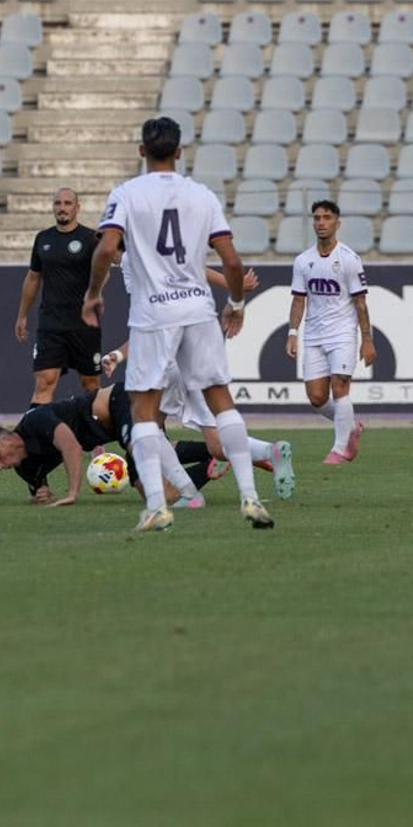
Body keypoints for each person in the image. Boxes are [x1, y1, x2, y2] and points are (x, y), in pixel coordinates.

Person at [83, 116, 274, 533]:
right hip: (199, 310)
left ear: (141, 151)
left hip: (154, 314)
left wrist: (94, 293)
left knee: (144, 409)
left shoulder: (127, 194)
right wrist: (236, 304)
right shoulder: (201, 196)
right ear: (180, 151)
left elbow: (105, 250)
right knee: (221, 399)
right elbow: (232, 261)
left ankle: (156, 506)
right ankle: (250, 495)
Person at [100, 343, 297, 499]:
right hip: (199, 361)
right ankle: (271, 451)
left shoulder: (152, 298)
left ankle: (185, 493)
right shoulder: (190, 300)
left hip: (171, 366)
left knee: (149, 425)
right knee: (217, 446)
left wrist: (117, 356)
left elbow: (142, 334)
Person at [0, 388, 218, 508]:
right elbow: (39, 490)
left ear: (6, 440)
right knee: (165, 495)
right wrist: (40, 495)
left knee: (144, 453)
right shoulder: (25, 469)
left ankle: (223, 454)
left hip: (118, 402)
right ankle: (214, 459)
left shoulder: (35, 421)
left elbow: (71, 447)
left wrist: (73, 493)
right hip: (115, 427)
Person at [286, 199, 375, 464]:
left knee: (340, 386)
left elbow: (360, 303)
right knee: (316, 397)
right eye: (317, 218)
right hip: (313, 334)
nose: (321, 222)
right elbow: (299, 299)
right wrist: (292, 332)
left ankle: (339, 449)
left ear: (337, 223)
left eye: (326, 217)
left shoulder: (349, 259)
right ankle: (351, 426)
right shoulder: (303, 260)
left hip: (342, 333)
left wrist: (367, 339)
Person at [14, 188, 100, 408]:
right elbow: (33, 278)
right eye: (58, 203)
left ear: (77, 208)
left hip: (84, 324)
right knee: (44, 381)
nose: (62, 208)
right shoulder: (43, 238)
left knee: (90, 384)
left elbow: (108, 267)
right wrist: (22, 315)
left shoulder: (91, 238)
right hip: (51, 323)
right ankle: (38, 439)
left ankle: (94, 440)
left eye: (68, 203)